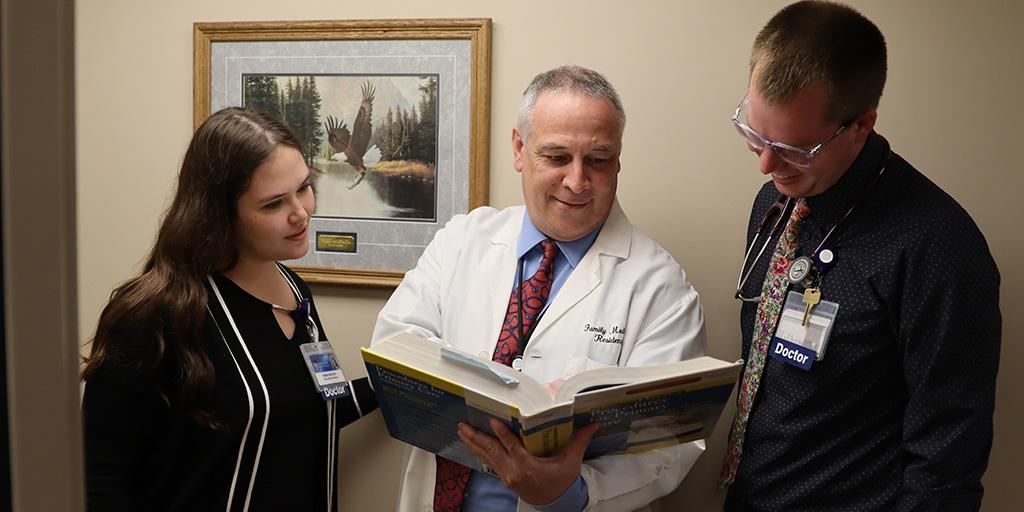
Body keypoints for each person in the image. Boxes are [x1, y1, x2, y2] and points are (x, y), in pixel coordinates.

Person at [370, 65, 708, 512]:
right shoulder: (462, 239)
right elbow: (394, 345)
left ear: (619, 158)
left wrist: (567, 493)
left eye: (599, 160)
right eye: (556, 157)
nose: (577, 181)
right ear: (519, 148)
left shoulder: (661, 288)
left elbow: (668, 446)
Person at [720, 2, 1001, 510]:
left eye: (792, 148)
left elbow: (947, 457)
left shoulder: (938, 248)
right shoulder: (777, 201)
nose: (765, 165)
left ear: (861, 125)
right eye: (755, 134)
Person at [81, 107, 377, 511]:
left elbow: (306, 409)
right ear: (219, 213)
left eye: (304, 187)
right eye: (274, 204)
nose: (301, 212)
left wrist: (401, 382)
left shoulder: (294, 292)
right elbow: (101, 478)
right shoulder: (153, 316)